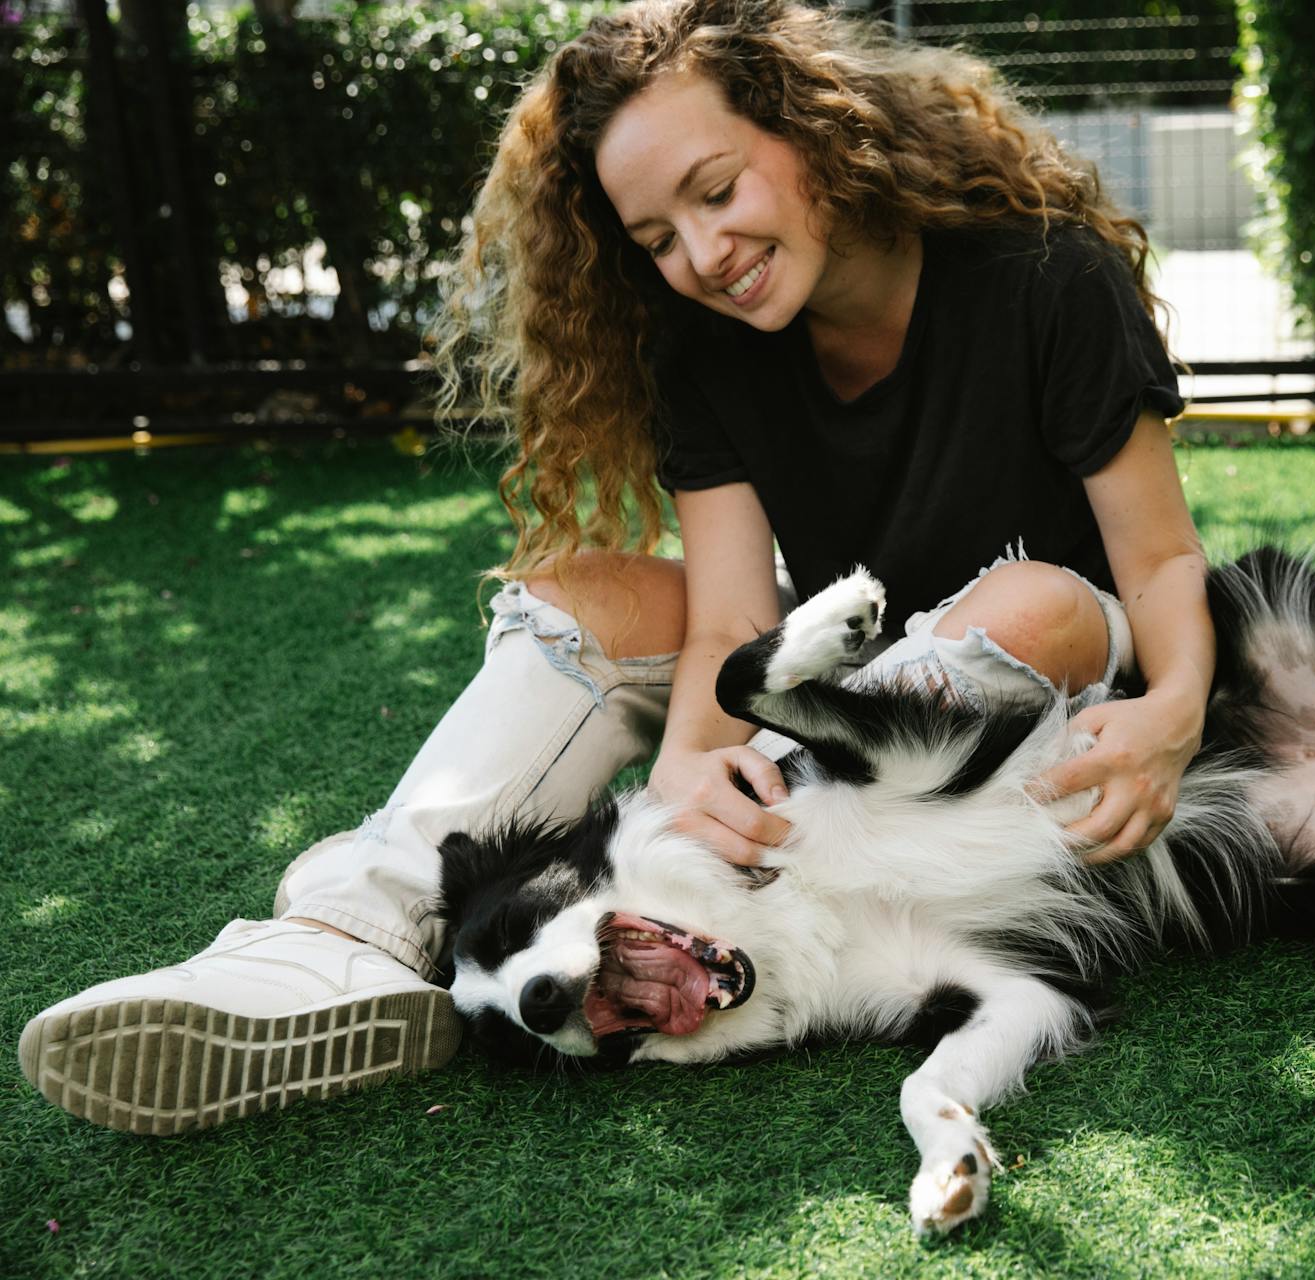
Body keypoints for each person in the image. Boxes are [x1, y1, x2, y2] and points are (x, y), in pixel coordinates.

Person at [18, 0, 1213, 1134]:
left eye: (719, 190)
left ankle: (794, 823)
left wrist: (1171, 711)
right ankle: (345, 935)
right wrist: (699, 765)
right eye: (657, 238)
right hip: (842, 655)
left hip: (1053, 667)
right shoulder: (709, 347)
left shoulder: (1044, 275)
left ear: (814, 130)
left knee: (1033, 601)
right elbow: (728, 616)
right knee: (573, 590)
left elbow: (1158, 559)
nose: (705, 252)